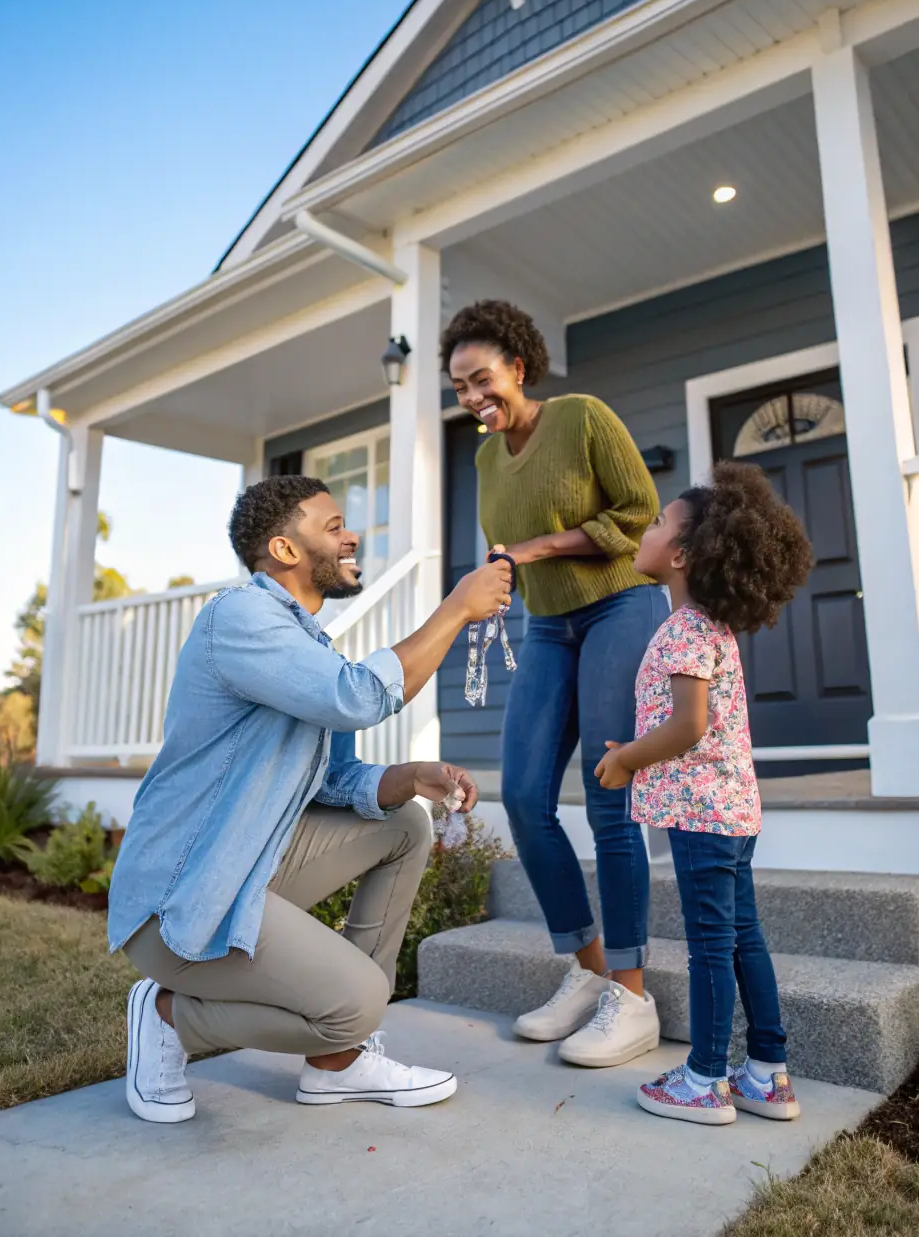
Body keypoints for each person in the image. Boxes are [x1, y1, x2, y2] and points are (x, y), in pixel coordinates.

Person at [109, 475, 512, 1123]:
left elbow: (335, 783)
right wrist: (458, 608)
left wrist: (409, 776)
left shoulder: (304, 644)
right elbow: (356, 696)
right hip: (182, 897)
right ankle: (168, 1014)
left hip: (244, 871)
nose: (350, 535)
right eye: (332, 526)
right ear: (284, 550)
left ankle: (338, 1062)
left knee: (405, 823)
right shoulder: (239, 616)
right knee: (357, 1001)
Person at [442, 300, 666, 1068]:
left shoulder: (581, 417)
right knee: (527, 798)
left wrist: (541, 544)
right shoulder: (480, 460)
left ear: (518, 365)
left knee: (609, 796)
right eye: (461, 388)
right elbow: (505, 548)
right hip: (546, 627)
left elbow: (641, 515)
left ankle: (633, 997)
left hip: (620, 606)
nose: (473, 397)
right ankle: (589, 969)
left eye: (482, 378)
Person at [596, 461, 814, 1125]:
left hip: (704, 817)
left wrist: (627, 760)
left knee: (712, 945)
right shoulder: (708, 627)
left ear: (682, 554)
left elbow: (688, 724)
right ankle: (768, 1073)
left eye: (660, 521)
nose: (648, 525)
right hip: (733, 812)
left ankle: (704, 1078)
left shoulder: (685, 629)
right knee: (744, 938)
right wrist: (633, 750)